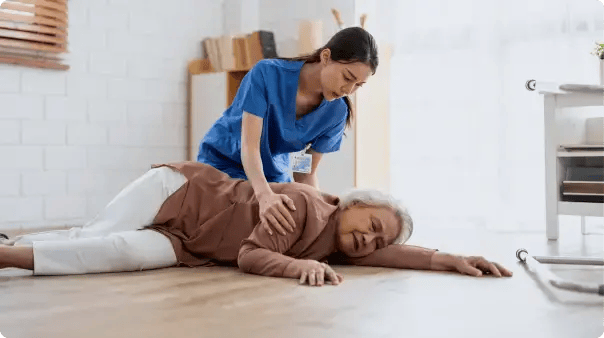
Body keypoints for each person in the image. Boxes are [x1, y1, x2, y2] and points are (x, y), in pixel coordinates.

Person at [0, 162, 513, 285]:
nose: (370, 239)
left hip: (186, 245)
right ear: (351, 202)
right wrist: (296, 269)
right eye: (372, 224)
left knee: (115, 255)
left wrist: (448, 259)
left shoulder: (339, 242)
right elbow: (250, 256)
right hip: (178, 193)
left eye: (376, 239)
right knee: (93, 235)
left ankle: (11, 247)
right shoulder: (305, 206)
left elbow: (391, 253)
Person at [196, 27, 379, 238]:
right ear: (326, 57)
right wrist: (264, 195)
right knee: (228, 231)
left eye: (359, 85)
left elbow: (304, 172)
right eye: (347, 77)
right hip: (224, 162)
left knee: (289, 225)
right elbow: (250, 145)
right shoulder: (266, 74)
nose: (349, 90)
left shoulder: (336, 113)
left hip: (273, 175)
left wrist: (318, 212)